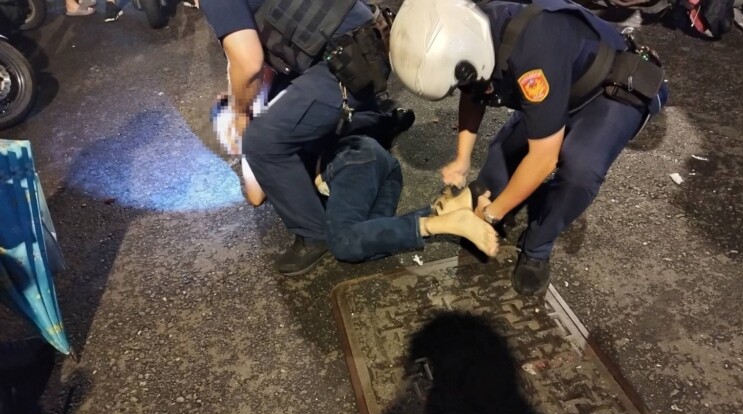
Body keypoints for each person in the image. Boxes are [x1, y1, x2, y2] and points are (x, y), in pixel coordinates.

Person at [388, 0, 669, 295]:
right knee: (499, 163)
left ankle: (537, 246)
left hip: (609, 90)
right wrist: (462, 158)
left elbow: (544, 159)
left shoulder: (531, 53)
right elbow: (472, 92)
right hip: (561, 84)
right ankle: (489, 200)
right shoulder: (470, 33)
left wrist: (491, 215)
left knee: (580, 171)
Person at [199, 0, 412, 276]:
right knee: (291, 120)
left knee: (263, 141)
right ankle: (375, 121)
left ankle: (312, 233)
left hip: (348, 62)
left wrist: (240, 113)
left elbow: (249, 65)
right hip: (373, 38)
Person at [243, 134, 500, 262]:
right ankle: (451, 208)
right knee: (370, 242)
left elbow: (255, 195)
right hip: (380, 166)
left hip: (350, 162)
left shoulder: (264, 131)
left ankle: (438, 224)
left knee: (342, 242)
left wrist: (244, 136)